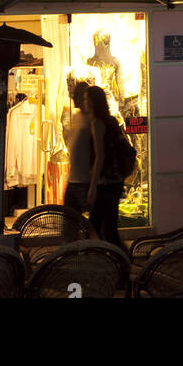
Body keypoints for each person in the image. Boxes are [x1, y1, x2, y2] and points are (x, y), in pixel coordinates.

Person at [85, 84, 127, 246]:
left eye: (86, 99)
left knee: (97, 226)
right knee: (109, 228)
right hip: (116, 181)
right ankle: (120, 259)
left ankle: (120, 261)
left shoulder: (97, 124)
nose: (85, 102)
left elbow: (100, 157)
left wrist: (93, 187)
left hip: (105, 183)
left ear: (94, 102)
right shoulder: (111, 121)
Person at [62, 80, 91, 221]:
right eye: (73, 94)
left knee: (95, 227)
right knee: (69, 224)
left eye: (77, 95)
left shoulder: (93, 120)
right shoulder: (77, 116)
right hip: (74, 179)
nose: (73, 97)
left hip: (86, 181)